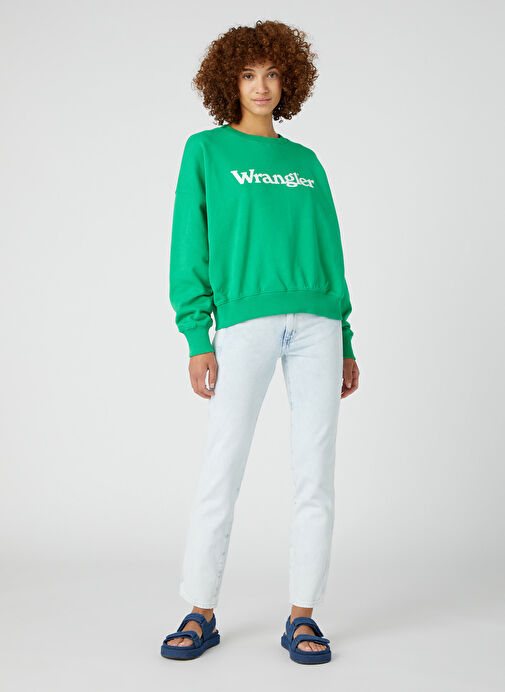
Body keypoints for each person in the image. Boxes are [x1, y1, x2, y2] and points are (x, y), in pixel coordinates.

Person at [161, 20, 360, 665]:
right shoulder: (206, 151)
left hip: (318, 325)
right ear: (230, 81)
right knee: (223, 463)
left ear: (288, 80)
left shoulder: (306, 163)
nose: (262, 86)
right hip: (244, 322)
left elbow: (330, 251)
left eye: (273, 73)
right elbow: (188, 246)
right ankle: (200, 610)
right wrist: (198, 334)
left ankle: (303, 615)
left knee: (315, 471)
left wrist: (346, 337)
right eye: (249, 74)